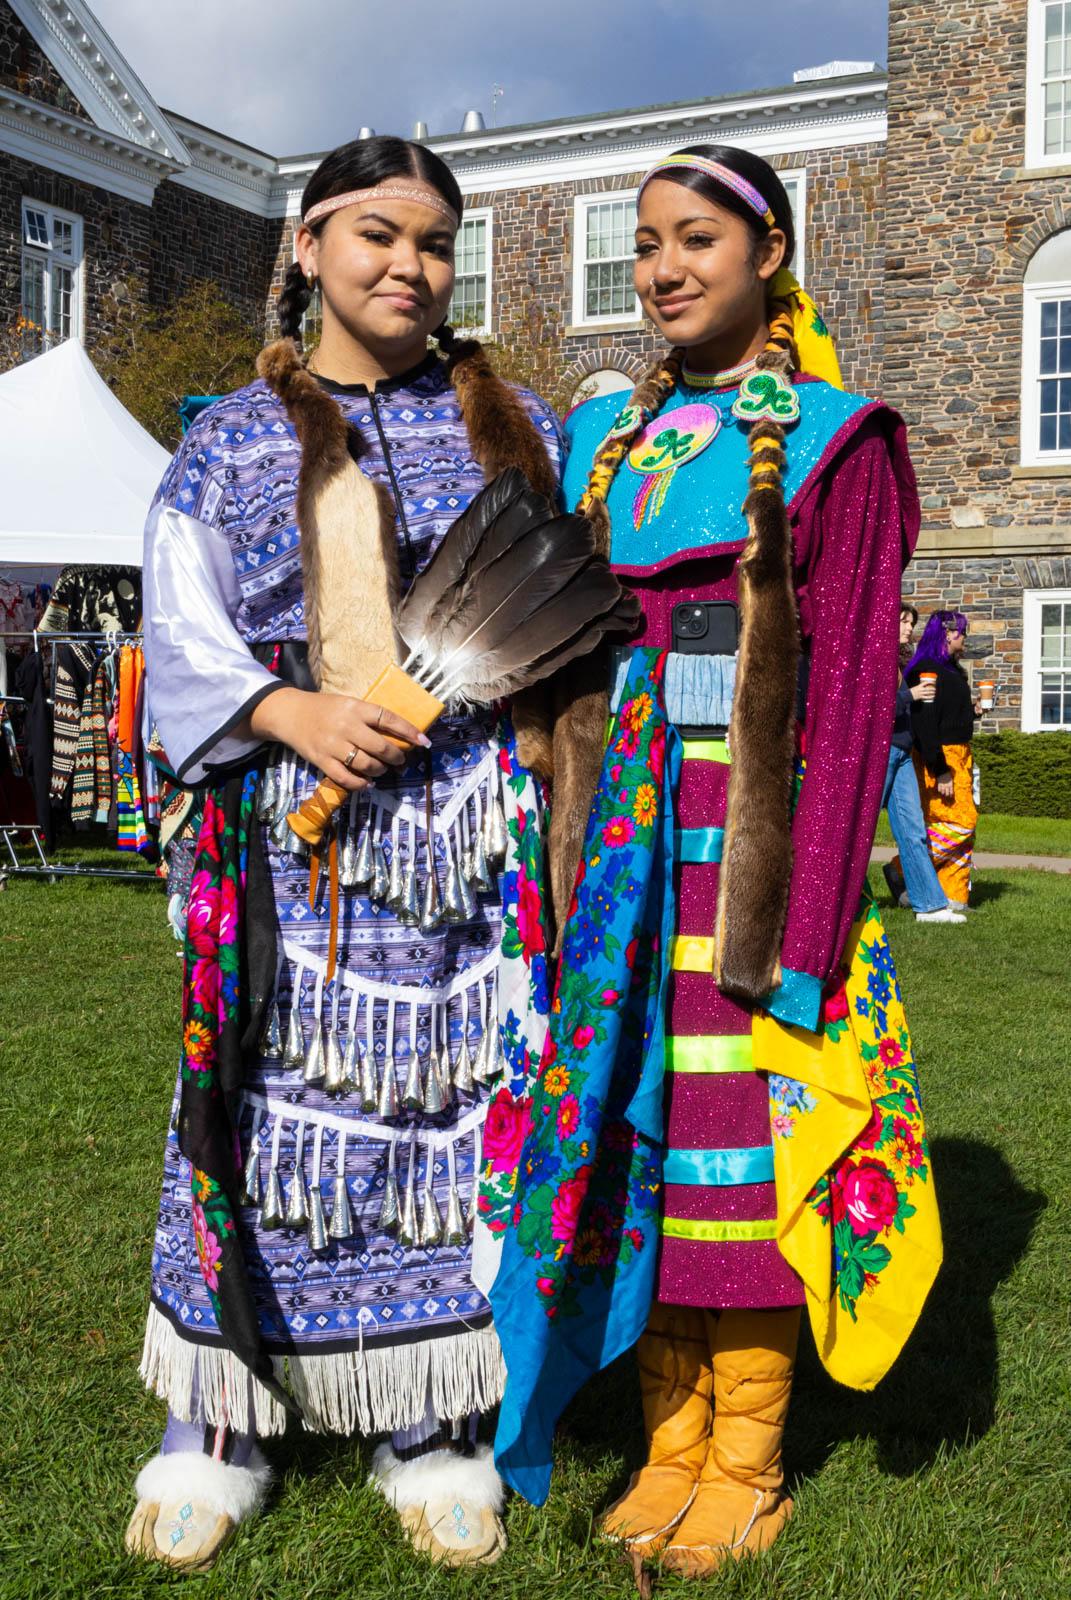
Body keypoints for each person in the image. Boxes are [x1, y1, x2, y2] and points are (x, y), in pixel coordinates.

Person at [487, 144, 941, 1575]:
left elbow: (857, 684)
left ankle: (744, 1453)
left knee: (745, 1157)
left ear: (767, 254)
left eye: (693, 240)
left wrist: (809, 927)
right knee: (652, 1145)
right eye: (644, 244)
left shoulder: (832, 437)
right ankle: (667, 1438)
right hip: (620, 859)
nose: (663, 268)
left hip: (753, 846)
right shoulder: (610, 442)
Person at [125, 134, 565, 1572]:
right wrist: (289, 707)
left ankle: (424, 1423)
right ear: (306, 247)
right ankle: (220, 1421)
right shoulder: (229, 441)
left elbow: (565, 621)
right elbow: (179, 638)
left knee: (447, 1125)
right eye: (377, 235)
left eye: (436, 242)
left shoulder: (515, 426)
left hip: (462, 858)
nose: (410, 266)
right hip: (291, 856)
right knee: (259, 1114)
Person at [881, 604, 965, 923]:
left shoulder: (899, 661)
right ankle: (835, 899)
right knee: (858, 830)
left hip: (901, 752)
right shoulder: (873, 658)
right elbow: (870, 707)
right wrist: (910, 695)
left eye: (911, 623)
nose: (908, 628)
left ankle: (929, 905)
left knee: (913, 831)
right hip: (883, 751)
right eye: (903, 621)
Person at [899, 609, 979, 912]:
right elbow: (925, 723)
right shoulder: (927, 670)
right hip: (942, 758)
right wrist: (939, 769)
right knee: (961, 823)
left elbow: (946, 716)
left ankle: (954, 896)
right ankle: (901, 870)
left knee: (959, 830)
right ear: (947, 633)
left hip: (960, 754)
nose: (965, 637)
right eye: (962, 631)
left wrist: (972, 713)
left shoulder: (950, 670)